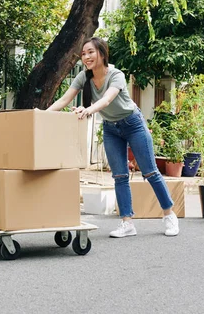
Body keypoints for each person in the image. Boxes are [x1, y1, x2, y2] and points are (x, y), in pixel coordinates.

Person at [47, 37, 179, 238]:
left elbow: (108, 99)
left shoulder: (116, 75)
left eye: (90, 52)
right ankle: (127, 223)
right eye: (83, 54)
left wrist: (89, 110)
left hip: (133, 124)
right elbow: (65, 98)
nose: (86, 57)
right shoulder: (84, 77)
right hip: (111, 128)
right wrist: (41, 114)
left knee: (150, 171)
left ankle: (169, 215)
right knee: (119, 175)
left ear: (102, 53)